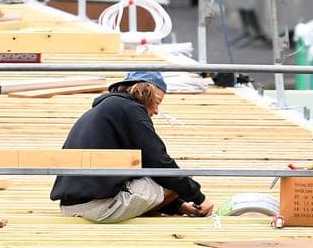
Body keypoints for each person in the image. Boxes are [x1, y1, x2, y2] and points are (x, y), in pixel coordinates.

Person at [51, 71, 213, 222]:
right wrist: (199, 198)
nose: (156, 111)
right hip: (99, 208)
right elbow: (158, 162)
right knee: (183, 173)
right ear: (145, 92)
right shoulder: (131, 111)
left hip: (70, 206)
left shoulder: (106, 110)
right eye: (156, 102)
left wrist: (180, 206)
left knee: (162, 175)